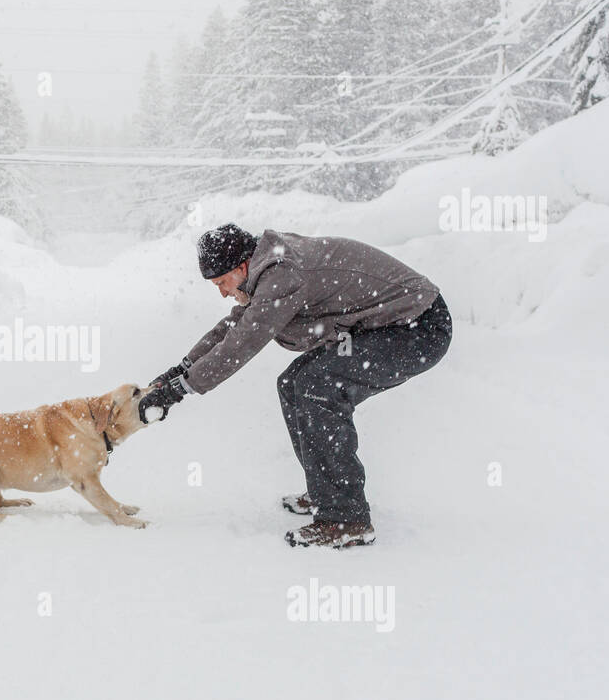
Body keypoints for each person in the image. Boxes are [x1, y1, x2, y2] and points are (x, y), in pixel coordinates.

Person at [139, 223, 452, 548]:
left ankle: (345, 519)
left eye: (221, 282)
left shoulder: (282, 274)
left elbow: (242, 342)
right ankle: (326, 490)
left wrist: (180, 390)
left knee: (318, 387)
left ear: (241, 266)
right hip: (383, 325)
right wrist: (182, 369)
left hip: (418, 326)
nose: (221, 292)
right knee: (293, 383)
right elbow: (234, 326)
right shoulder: (267, 267)